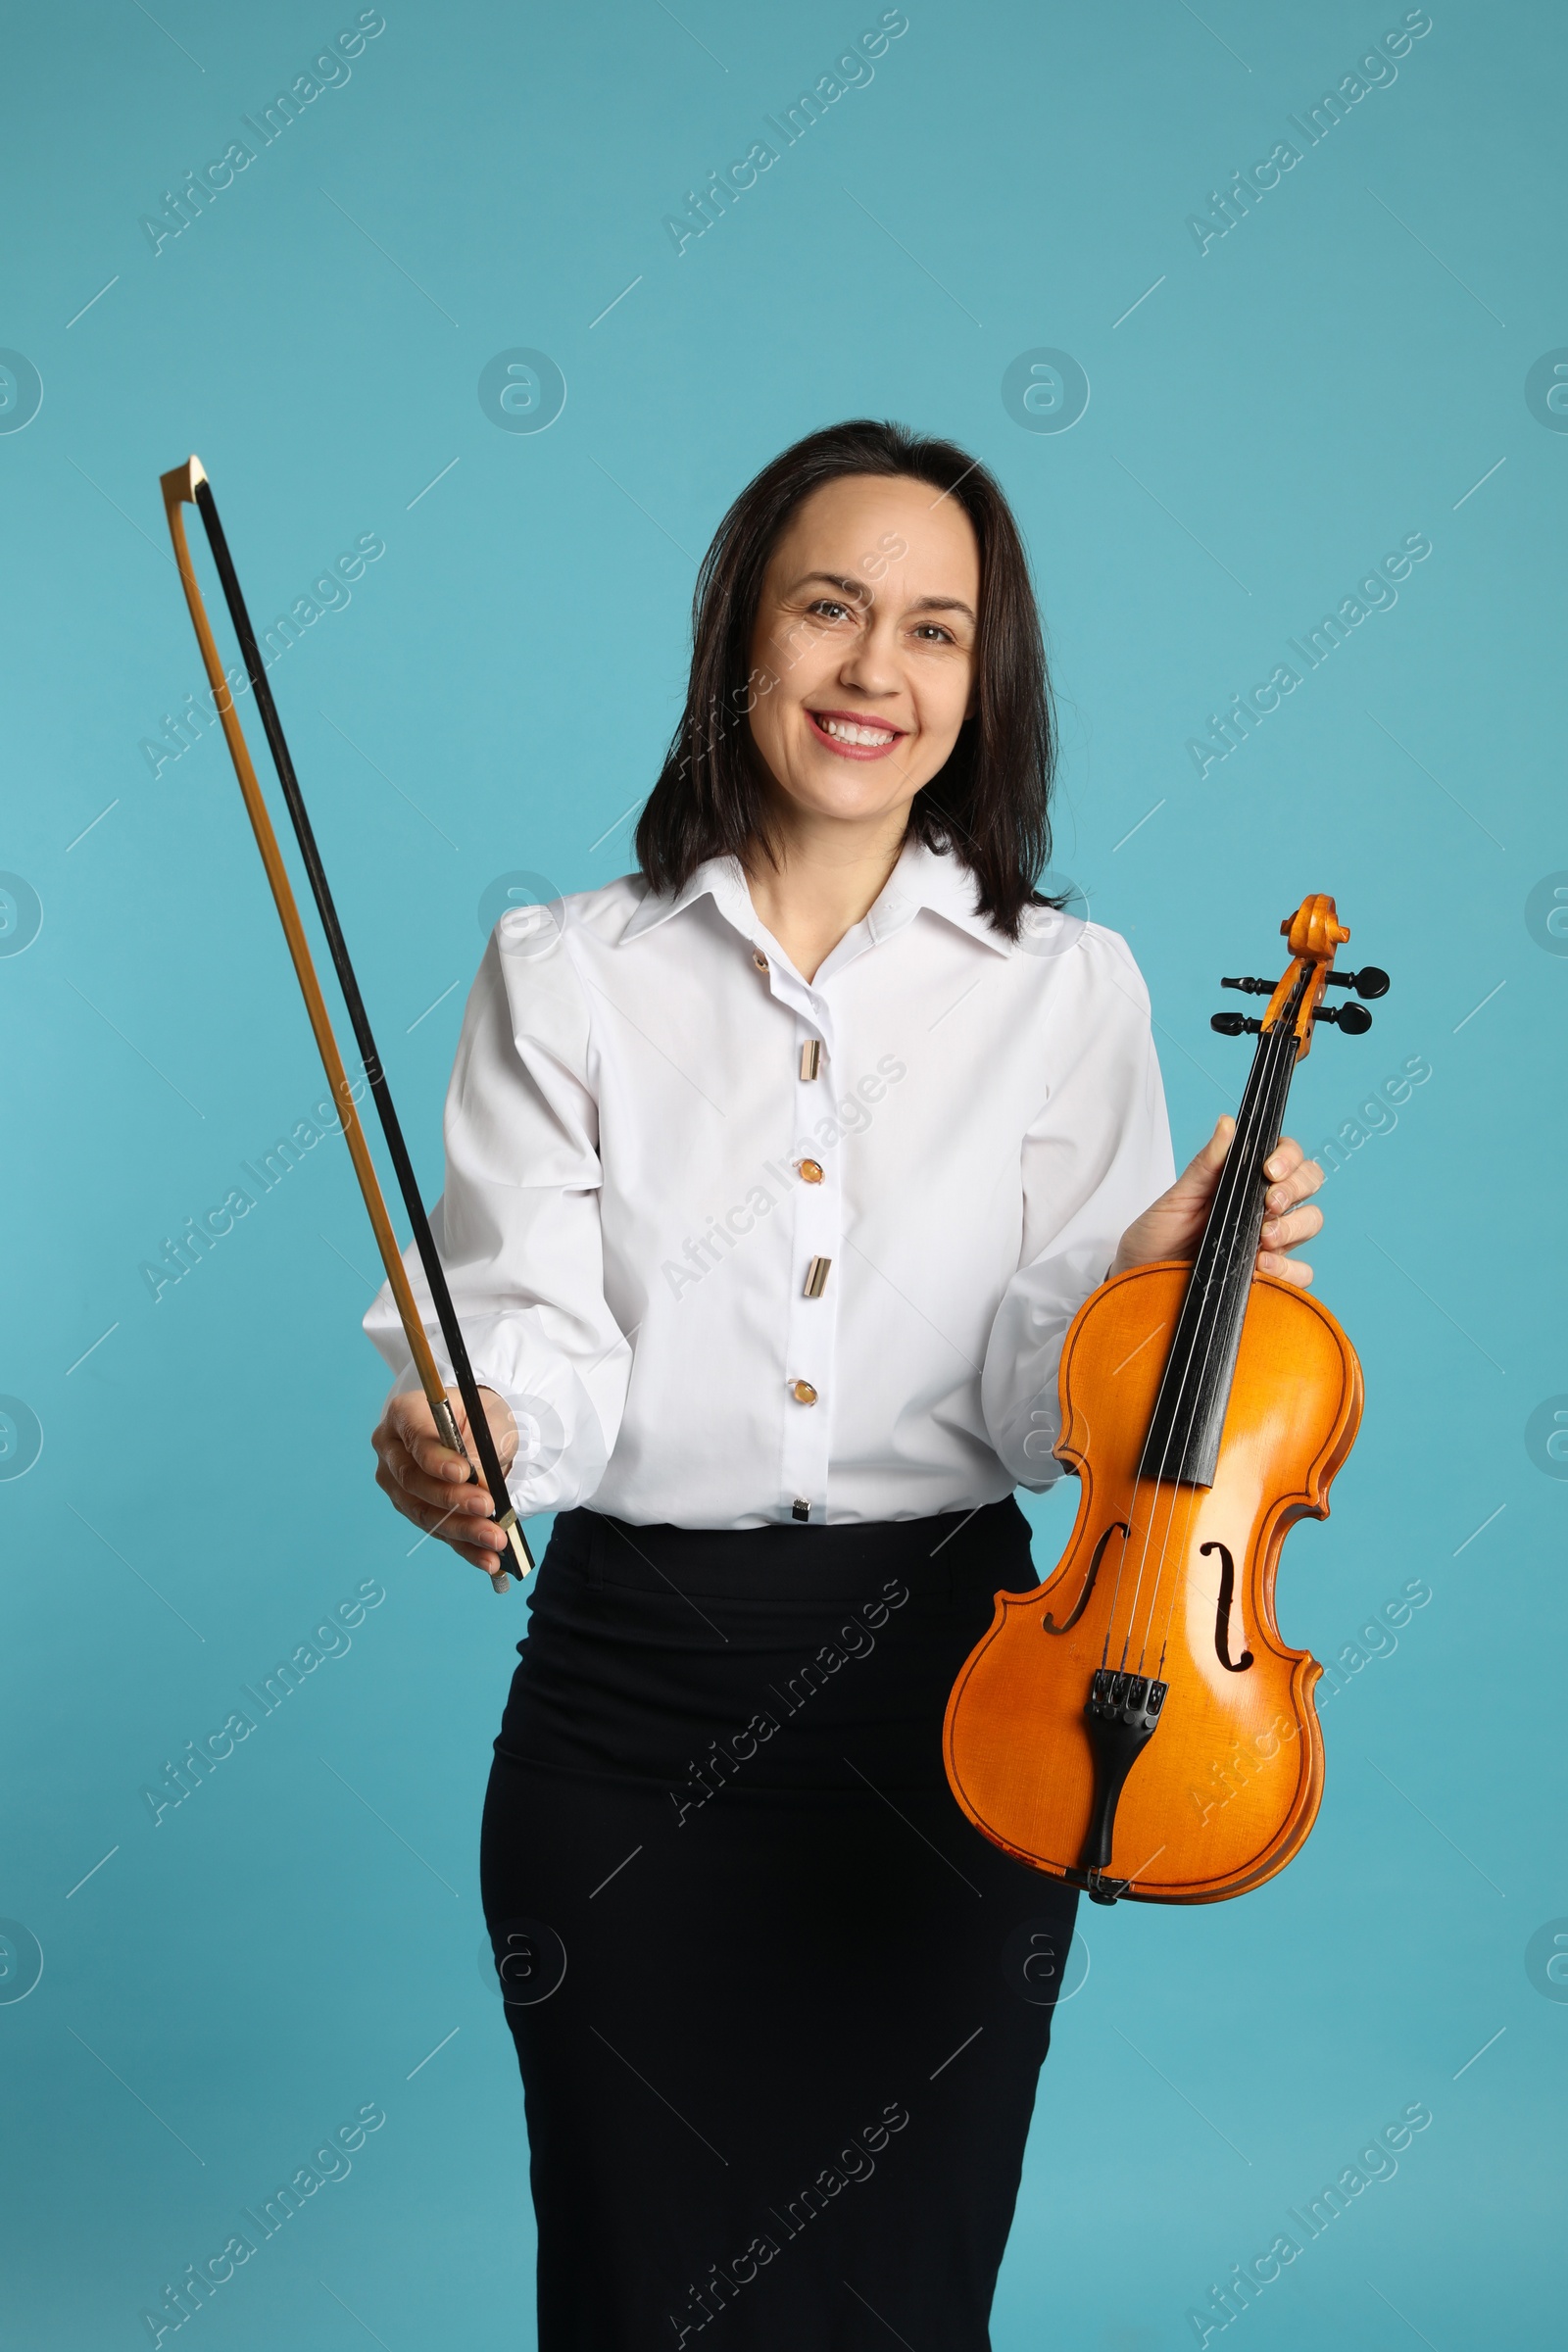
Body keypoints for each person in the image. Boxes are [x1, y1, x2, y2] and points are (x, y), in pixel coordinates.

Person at [365, 419, 1324, 2350]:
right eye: (828, 608)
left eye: (934, 630)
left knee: (903, 2299)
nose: (875, 670)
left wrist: (1143, 1285)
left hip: (960, 1702)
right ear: (740, 640)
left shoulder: (1068, 987)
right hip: (630, 1704)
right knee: (637, 2296)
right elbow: (536, 1341)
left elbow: (1028, 1404)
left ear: (983, 685)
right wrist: (470, 1443)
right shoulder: (564, 973)